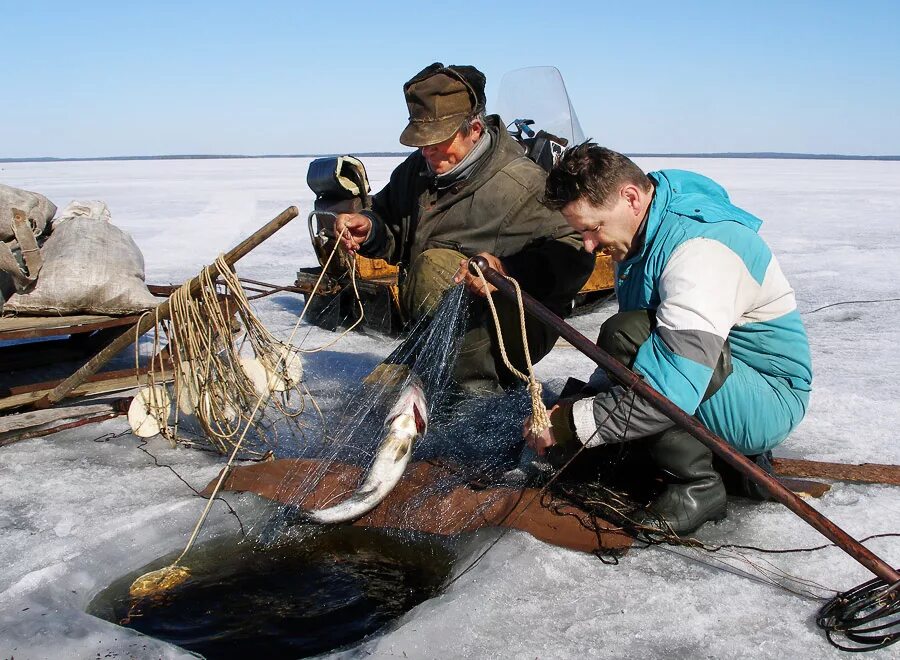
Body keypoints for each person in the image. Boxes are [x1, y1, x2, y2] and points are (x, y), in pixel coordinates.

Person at [525, 143, 813, 534]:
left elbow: (669, 391)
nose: (589, 245)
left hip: (767, 400)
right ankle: (716, 460)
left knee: (625, 334)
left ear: (630, 197)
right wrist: (585, 403)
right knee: (627, 345)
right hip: (718, 379)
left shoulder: (701, 252)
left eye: (592, 229)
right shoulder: (645, 226)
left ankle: (696, 487)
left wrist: (569, 424)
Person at [335, 63, 594, 393]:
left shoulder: (522, 185)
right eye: (422, 141)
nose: (427, 150)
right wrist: (369, 227)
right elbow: (388, 218)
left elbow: (577, 249)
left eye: (438, 140)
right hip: (438, 320)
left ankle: (475, 399)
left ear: (474, 129)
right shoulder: (419, 169)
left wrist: (508, 272)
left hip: (517, 325)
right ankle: (435, 366)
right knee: (380, 393)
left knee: (433, 268)